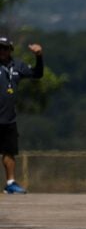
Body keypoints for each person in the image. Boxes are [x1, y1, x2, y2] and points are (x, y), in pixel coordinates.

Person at [0, 37, 43, 194]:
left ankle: (10, 183)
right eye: (0, 48)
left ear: (10, 50)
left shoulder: (17, 66)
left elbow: (37, 74)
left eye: (5, 48)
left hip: (8, 118)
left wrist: (39, 56)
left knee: (9, 151)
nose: (2, 51)